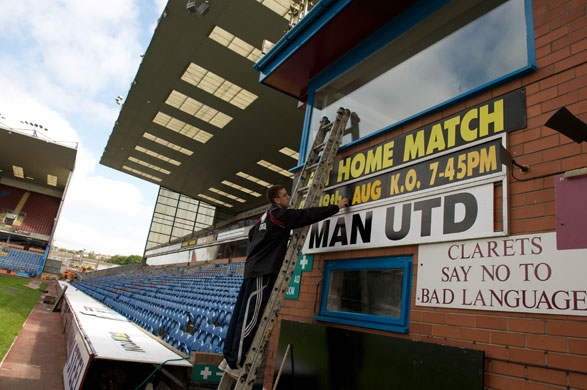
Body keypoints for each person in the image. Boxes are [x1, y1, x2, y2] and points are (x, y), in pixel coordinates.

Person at [220, 184, 349, 377]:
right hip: (263, 271)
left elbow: (251, 235)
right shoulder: (279, 214)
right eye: (285, 195)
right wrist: (336, 207)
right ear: (276, 201)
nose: (289, 197)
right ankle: (236, 362)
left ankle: (229, 358)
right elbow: (306, 215)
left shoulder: (263, 218)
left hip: (252, 269)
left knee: (241, 314)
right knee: (251, 318)